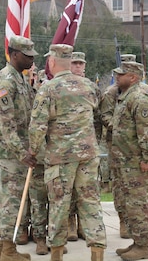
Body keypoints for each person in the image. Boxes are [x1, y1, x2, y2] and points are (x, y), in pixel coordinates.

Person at [28, 44, 106, 261]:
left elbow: (38, 126)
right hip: (88, 156)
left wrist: (33, 151)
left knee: (59, 205)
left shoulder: (48, 88)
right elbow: (98, 116)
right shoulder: (89, 87)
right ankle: (97, 253)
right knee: (90, 203)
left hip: (60, 158)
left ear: (52, 62)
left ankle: (56, 255)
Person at [0, 35, 38, 261]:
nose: (31, 60)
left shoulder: (19, 78)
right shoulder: (7, 81)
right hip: (9, 153)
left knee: (9, 199)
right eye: (27, 56)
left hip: (13, 151)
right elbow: (5, 122)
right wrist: (21, 152)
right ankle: (8, 250)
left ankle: (1, 247)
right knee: (10, 200)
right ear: (15, 54)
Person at [111, 61, 148, 260]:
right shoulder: (126, 96)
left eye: (121, 74)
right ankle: (136, 242)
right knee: (130, 203)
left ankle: (143, 246)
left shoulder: (139, 98)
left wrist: (147, 158)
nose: (117, 77)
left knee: (139, 204)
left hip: (137, 163)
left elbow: (147, 132)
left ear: (133, 77)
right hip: (126, 162)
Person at [100, 53, 137, 240]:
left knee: (136, 186)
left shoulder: (140, 92)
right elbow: (104, 115)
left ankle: (135, 221)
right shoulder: (111, 93)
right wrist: (120, 126)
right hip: (116, 145)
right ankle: (123, 220)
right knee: (120, 184)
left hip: (135, 147)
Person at [67, 51, 102, 242]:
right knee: (69, 189)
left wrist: (95, 139)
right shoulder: (62, 86)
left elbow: (98, 116)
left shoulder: (92, 87)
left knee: (87, 189)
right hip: (67, 148)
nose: (78, 67)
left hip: (87, 148)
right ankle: (70, 223)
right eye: (74, 63)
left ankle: (83, 225)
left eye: (81, 63)